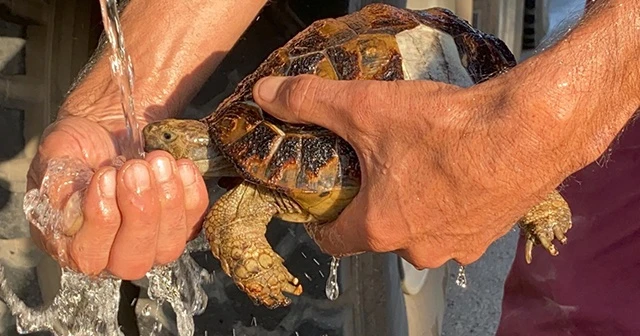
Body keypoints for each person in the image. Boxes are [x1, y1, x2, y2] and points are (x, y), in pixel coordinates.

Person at [27, 0, 638, 333]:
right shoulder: (240, 154)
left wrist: (537, 132)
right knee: (570, 304)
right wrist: (116, 107)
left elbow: (237, 216)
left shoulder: (248, 190)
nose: (161, 146)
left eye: (166, 138)